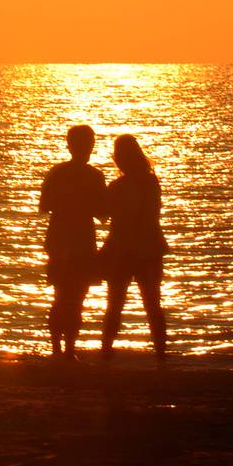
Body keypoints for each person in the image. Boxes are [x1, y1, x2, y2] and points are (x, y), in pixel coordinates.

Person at [38, 124, 107, 358]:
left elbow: (44, 206)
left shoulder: (57, 173)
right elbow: (103, 213)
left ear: (69, 145)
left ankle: (59, 349)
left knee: (62, 297)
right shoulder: (94, 176)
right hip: (80, 241)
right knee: (76, 298)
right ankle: (66, 350)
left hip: (60, 239)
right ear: (90, 146)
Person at [99, 133, 169, 358]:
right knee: (153, 305)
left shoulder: (117, 186)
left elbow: (103, 215)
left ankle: (106, 353)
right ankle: (161, 356)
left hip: (122, 250)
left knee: (115, 304)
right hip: (150, 247)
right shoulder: (151, 181)